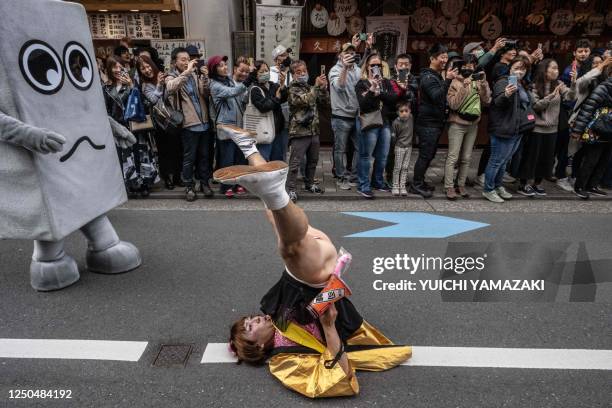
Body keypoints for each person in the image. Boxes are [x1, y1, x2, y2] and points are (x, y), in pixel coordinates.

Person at [210, 125, 411, 398]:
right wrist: (328, 327)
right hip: (317, 270)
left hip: (309, 261)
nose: (252, 319)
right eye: (249, 329)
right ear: (256, 347)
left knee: (277, 222)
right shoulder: (284, 361)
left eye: (247, 320)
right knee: (287, 244)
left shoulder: (277, 315)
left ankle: (250, 150)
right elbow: (341, 380)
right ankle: (268, 185)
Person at [516, 58, 576, 197]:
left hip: (552, 129)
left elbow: (571, 97)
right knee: (531, 158)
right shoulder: (534, 86)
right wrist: (550, 96)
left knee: (546, 159)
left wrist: (573, 83)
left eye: (557, 69)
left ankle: (537, 184)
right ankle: (523, 184)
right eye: (553, 68)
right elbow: (536, 106)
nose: (556, 71)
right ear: (545, 70)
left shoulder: (560, 84)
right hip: (537, 128)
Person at [409, 44, 459, 198]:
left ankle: (420, 181)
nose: (445, 60)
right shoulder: (428, 77)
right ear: (432, 59)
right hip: (427, 124)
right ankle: (416, 184)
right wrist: (448, 80)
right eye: (442, 57)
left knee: (429, 154)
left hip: (434, 123)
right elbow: (437, 96)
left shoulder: (436, 75)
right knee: (425, 155)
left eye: (446, 57)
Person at [482, 56, 533, 203]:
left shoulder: (521, 84)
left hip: (517, 128)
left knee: (504, 161)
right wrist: (506, 94)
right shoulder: (502, 81)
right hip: (503, 127)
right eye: (516, 68)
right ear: (510, 68)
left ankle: (498, 186)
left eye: (523, 69)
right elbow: (497, 102)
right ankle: (488, 189)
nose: (519, 72)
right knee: (496, 160)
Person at [165, 47, 213, 201]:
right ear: (174, 62)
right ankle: (189, 186)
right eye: (183, 59)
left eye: (188, 59)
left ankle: (204, 183)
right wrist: (187, 72)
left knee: (204, 156)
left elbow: (205, 93)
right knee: (189, 158)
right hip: (188, 124)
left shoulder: (195, 74)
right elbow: (171, 87)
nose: (187, 62)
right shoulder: (171, 76)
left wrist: (205, 78)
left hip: (204, 122)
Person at [445, 54, 492, 200]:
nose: (468, 68)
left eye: (471, 65)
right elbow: (453, 104)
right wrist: (464, 87)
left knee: (466, 157)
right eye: (465, 65)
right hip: (457, 124)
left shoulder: (478, 81)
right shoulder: (454, 82)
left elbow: (487, 100)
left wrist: (483, 83)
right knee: (453, 157)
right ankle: (449, 186)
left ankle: (461, 184)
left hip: (473, 124)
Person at [285, 60, 329, 202]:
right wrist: (316, 87)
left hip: (313, 130)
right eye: (298, 72)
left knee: (313, 160)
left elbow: (325, 103)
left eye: (304, 71)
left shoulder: (310, 87)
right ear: (293, 75)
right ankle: (290, 189)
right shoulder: (292, 89)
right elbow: (306, 101)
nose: (303, 74)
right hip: (299, 131)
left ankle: (309, 184)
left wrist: (323, 89)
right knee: (295, 163)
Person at [208, 55, 252, 198]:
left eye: (225, 64)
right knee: (228, 158)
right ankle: (226, 185)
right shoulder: (214, 85)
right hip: (226, 127)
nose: (224, 67)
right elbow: (231, 93)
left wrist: (247, 90)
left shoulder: (229, 81)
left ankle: (239, 183)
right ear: (214, 70)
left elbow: (241, 98)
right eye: (220, 66)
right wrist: (249, 81)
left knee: (240, 157)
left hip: (239, 125)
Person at [138, 54, 183, 191]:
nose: (147, 70)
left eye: (147, 66)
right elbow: (153, 100)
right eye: (143, 68)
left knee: (176, 149)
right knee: (164, 151)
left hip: (172, 118)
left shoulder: (164, 76)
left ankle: (177, 176)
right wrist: (158, 85)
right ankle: (167, 178)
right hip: (160, 122)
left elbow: (171, 93)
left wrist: (164, 84)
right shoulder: (145, 85)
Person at [354, 53, 395, 198]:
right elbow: (363, 105)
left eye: (379, 65)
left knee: (382, 155)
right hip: (369, 122)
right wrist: (372, 90)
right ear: (367, 66)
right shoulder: (362, 83)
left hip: (384, 122)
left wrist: (380, 91)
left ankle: (377, 182)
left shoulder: (386, 82)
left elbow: (393, 99)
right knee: (366, 155)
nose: (376, 68)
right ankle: (363, 185)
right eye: (373, 65)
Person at [570, 68, 612, 199]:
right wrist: (577, 130)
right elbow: (588, 108)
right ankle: (580, 186)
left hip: (610, 131)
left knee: (604, 160)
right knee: (591, 160)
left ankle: (592, 185)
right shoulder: (603, 88)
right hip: (597, 130)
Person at [329, 42, 362, 191]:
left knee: (358, 147)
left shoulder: (358, 70)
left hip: (357, 115)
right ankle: (341, 177)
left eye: (352, 53)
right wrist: (344, 68)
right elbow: (340, 86)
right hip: (340, 116)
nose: (350, 55)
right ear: (340, 55)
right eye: (347, 53)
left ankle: (353, 175)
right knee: (340, 149)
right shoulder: (334, 70)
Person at [248, 60, 288, 161]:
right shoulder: (255, 89)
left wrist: (283, 85)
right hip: (264, 131)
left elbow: (284, 98)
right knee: (264, 160)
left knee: (278, 160)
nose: (265, 73)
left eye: (267, 71)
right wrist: (276, 98)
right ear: (255, 74)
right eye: (262, 72)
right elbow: (263, 107)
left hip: (277, 129)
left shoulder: (274, 85)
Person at [269, 45, 293, 162]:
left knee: (285, 144)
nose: (285, 58)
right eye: (282, 55)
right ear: (276, 59)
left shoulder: (291, 73)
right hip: (273, 112)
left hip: (289, 112)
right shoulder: (269, 72)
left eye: (286, 55)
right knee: (274, 143)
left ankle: (283, 167)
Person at [391, 101, 414, 196]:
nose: (404, 113)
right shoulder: (396, 123)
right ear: (397, 113)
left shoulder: (411, 118)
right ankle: (395, 186)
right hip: (399, 147)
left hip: (408, 147)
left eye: (406, 111)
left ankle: (402, 186)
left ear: (410, 111)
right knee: (397, 167)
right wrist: (394, 146)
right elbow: (394, 136)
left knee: (405, 167)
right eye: (401, 111)